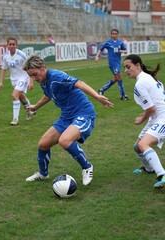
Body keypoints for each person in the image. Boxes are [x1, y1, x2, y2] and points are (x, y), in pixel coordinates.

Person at [23, 55, 114, 185]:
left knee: (65, 140)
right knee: (43, 144)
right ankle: (43, 174)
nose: (34, 78)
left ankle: (87, 167)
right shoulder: (44, 81)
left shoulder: (56, 77)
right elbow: (49, 95)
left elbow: (79, 83)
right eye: (31, 76)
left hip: (83, 113)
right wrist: (36, 106)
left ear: (43, 68)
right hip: (66, 116)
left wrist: (97, 96)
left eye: (35, 74)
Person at [123, 54, 165, 189]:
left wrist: (142, 118)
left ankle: (162, 174)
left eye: (128, 67)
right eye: (124, 68)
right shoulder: (149, 78)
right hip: (156, 118)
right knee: (138, 146)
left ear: (138, 65)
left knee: (144, 144)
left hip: (162, 118)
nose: (126, 71)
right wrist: (148, 115)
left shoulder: (140, 83)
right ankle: (149, 169)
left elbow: (151, 108)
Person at [0, 37, 36, 126]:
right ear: (7, 45)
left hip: (23, 77)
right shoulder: (5, 56)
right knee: (21, 97)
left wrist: (31, 81)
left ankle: (15, 119)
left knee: (15, 95)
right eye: (10, 44)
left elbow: (28, 67)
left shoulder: (21, 55)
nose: (11, 46)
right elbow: (3, 69)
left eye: (13, 44)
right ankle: (31, 111)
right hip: (13, 80)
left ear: (16, 45)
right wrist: (1, 82)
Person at [95, 29, 128, 100]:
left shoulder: (120, 42)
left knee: (115, 79)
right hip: (112, 63)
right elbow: (101, 49)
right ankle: (123, 95)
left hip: (118, 63)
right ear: (111, 34)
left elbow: (125, 51)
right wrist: (97, 56)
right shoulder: (108, 42)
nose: (114, 35)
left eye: (115, 34)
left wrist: (122, 51)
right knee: (119, 78)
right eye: (112, 34)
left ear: (118, 34)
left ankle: (101, 90)